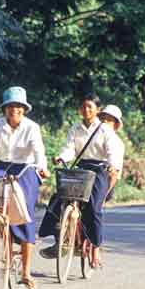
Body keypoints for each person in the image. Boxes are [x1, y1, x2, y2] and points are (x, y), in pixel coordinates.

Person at [0, 86, 50, 289]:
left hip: (26, 167)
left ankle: (26, 271)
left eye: (18, 106)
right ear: (4, 109)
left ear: (24, 109)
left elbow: (38, 150)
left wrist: (42, 168)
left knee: (24, 205)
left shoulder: (31, 127)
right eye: (10, 106)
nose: (14, 110)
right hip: (2, 165)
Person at [38, 95, 124, 269]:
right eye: (83, 107)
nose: (86, 110)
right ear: (80, 109)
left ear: (97, 110)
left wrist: (113, 167)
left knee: (93, 208)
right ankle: (59, 239)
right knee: (58, 199)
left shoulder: (105, 130)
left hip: (100, 169)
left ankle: (96, 246)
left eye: (90, 107)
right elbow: (69, 148)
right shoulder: (75, 128)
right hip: (80, 168)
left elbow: (112, 153)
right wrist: (61, 156)